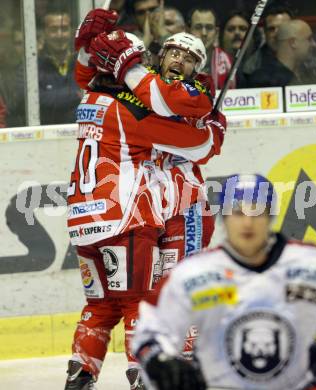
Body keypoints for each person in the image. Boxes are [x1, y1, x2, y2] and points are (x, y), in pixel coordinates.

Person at [65, 11, 225, 390]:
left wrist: (89, 51)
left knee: (107, 304)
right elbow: (197, 141)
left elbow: (90, 75)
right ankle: (149, 378)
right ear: (152, 58)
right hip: (129, 217)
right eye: (171, 52)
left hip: (93, 217)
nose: (178, 59)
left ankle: (82, 376)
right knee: (143, 300)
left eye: (189, 58)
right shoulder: (139, 106)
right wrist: (212, 128)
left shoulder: (93, 96)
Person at [132, 173, 316, 390]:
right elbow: (152, 329)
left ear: (270, 216)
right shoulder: (194, 273)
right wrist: (158, 359)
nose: (247, 223)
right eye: (238, 213)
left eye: (257, 212)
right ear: (224, 217)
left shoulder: (311, 265)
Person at [247, 20, 316, 88]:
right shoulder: (264, 81)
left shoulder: (309, 73)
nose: (314, 44)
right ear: (293, 42)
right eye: (309, 39)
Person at [188, 7, 235, 90]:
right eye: (198, 27)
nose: (204, 33)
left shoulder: (229, 62)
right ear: (188, 30)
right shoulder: (178, 61)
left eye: (209, 28)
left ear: (216, 32)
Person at [243, 2, 293, 75]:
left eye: (282, 28)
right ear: (265, 33)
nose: (277, 34)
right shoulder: (251, 68)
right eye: (271, 29)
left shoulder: (307, 58)